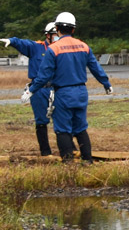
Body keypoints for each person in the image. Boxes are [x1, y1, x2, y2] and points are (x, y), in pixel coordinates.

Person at [26, 12, 112, 162]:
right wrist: (106, 84)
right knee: (80, 128)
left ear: (57, 28)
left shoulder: (53, 49)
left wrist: (31, 90)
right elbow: (96, 68)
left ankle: (68, 163)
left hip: (64, 93)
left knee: (62, 129)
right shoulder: (84, 46)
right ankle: (87, 161)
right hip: (81, 92)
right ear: (73, 29)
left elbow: (44, 75)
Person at [2, 21, 60, 156]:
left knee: (62, 119)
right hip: (39, 89)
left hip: (58, 88)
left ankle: (68, 150)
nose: (57, 37)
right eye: (54, 35)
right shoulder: (37, 47)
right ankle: (45, 152)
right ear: (48, 36)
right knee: (41, 121)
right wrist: (11, 41)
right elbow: (23, 43)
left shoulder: (62, 49)